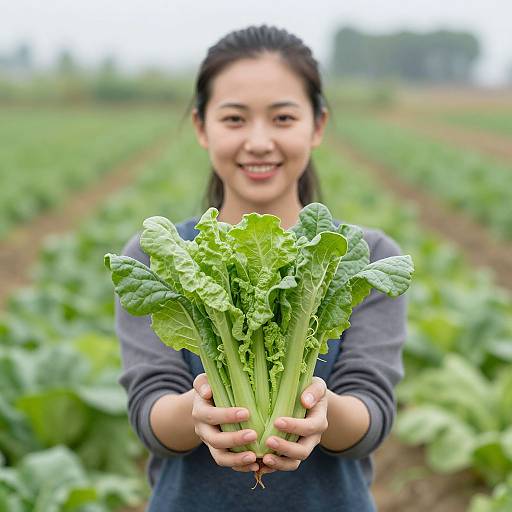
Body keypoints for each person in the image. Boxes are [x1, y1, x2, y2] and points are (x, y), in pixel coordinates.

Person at [115, 24, 407, 511]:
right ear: (200, 126)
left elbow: (372, 413)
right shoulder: (160, 255)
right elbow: (148, 410)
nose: (258, 141)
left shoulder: (359, 254)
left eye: (282, 118)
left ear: (317, 125)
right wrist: (195, 415)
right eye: (234, 119)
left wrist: (323, 414)